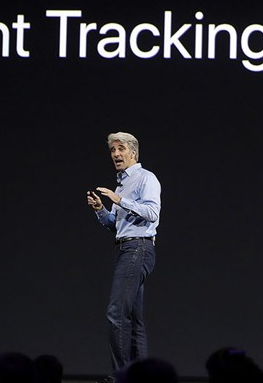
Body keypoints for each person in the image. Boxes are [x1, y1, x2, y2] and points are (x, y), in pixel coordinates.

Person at [86, 132, 161, 381]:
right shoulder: (121, 183)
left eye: (121, 149)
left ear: (133, 152)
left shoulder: (145, 178)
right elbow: (116, 225)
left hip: (138, 249)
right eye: (112, 151)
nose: (116, 154)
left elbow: (151, 212)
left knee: (116, 314)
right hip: (126, 248)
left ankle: (123, 376)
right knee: (133, 319)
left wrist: (120, 199)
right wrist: (101, 210)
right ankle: (142, 376)